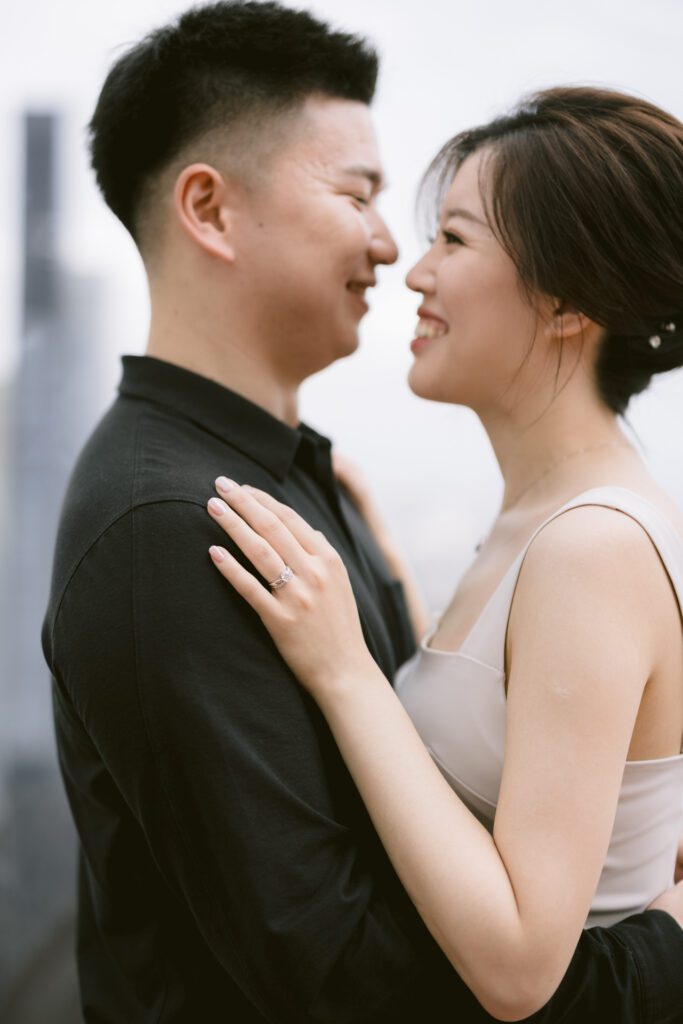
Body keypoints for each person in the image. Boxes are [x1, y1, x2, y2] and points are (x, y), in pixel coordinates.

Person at [40, 0, 683, 1015]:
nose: (398, 255)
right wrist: (657, 961)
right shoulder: (170, 526)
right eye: (360, 195)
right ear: (207, 210)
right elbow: (339, 970)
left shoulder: (307, 488)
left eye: (447, 236)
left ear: (566, 302)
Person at [203, 85, 683, 1021]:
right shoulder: (544, 517)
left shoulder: (589, 546)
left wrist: (347, 670)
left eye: (454, 240)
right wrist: (387, 577)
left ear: (565, 300)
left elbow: (517, 969)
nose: (412, 271)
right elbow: (504, 745)